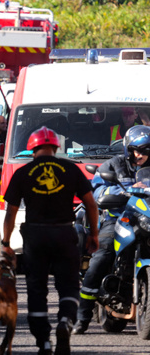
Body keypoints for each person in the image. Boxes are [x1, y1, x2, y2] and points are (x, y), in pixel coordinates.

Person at [1, 126, 99, 355]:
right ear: (56, 147)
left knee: (37, 289)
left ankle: (44, 342)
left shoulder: (22, 173)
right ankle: (65, 321)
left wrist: (6, 242)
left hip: (35, 237)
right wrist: (93, 234)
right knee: (68, 285)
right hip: (64, 234)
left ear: (32, 149)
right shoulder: (71, 169)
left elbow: (11, 211)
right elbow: (92, 205)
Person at [73, 125, 150, 334]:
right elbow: (97, 190)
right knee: (101, 255)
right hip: (118, 217)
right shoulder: (114, 165)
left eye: (145, 151)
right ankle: (83, 315)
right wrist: (122, 192)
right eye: (136, 150)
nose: (140, 155)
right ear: (127, 148)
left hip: (146, 217)